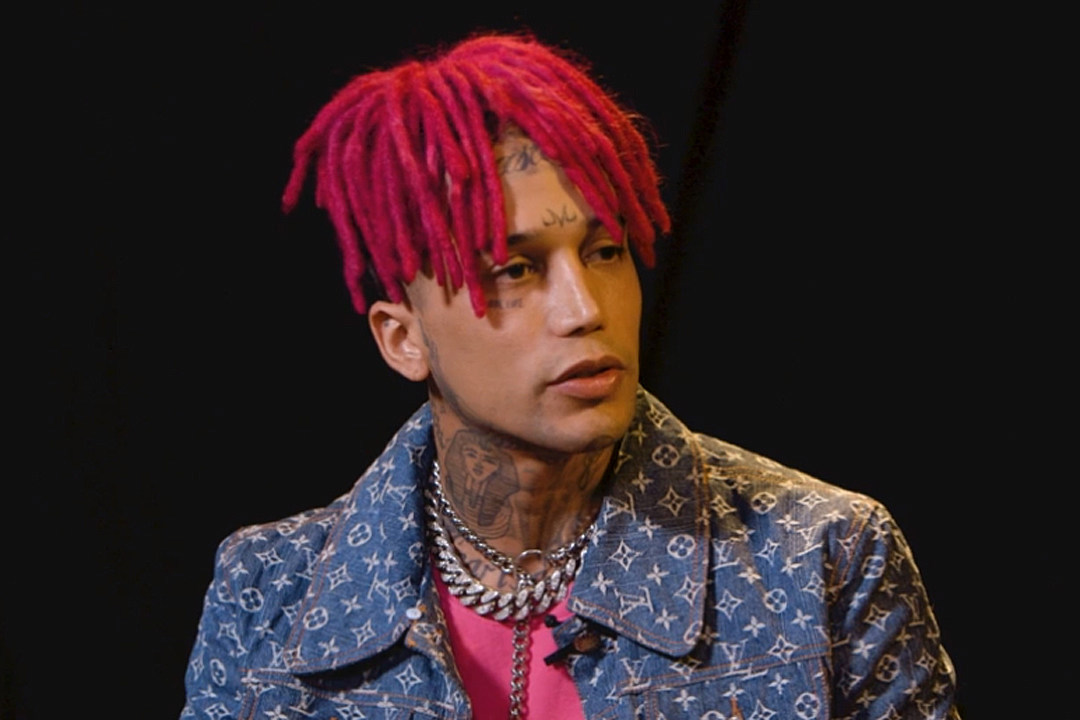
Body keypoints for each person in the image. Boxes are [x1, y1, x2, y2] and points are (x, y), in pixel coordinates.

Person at [181, 33, 959, 720]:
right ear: (403, 338)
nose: (584, 309)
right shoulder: (270, 595)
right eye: (515, 270)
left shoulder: (819, 557)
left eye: (606, 251)